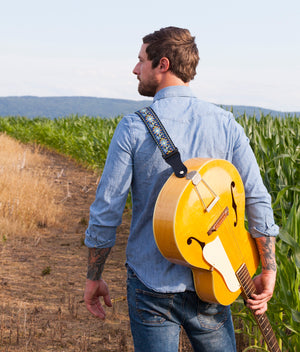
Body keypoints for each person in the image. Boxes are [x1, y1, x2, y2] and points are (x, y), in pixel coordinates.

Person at [84, 26, 279, 352]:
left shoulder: (134, 126)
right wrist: (268, 266)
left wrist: (94, 276)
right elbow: (256, 196)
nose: (135, 69)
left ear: (162, 64)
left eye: (140, 61)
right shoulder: (224, 123)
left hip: (151, 284)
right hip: (214, 277)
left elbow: (107, 210)